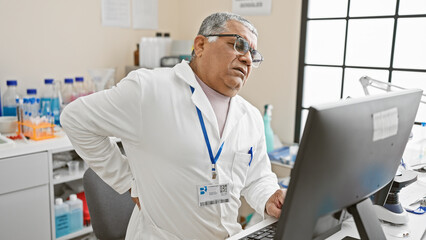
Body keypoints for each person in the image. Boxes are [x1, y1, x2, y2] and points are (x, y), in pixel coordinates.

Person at [61, 12, 286, 239]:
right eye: (238, 45)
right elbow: (75, 119)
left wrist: (269, 197)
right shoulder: (149, 90)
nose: (247, 58)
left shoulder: (250, 116)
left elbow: (257, 177)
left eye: (253, 54)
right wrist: (128, 181)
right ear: (200, 45)